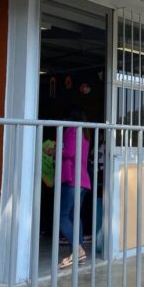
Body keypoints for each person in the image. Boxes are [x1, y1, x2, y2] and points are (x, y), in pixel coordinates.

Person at [58, 106, 92, 269]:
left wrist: (54, 151)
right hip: (83, 180)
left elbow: (69, 152)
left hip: (73, 179)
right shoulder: (85, 133)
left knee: (62, 216)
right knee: (75, 216)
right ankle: (77, 252)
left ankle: (77, 250)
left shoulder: (72, 130)